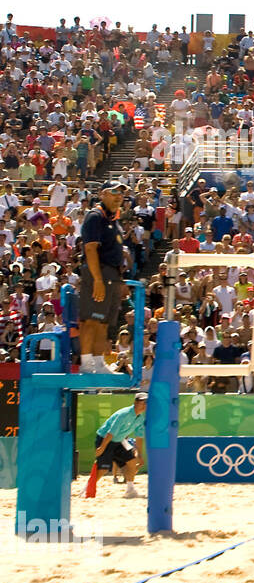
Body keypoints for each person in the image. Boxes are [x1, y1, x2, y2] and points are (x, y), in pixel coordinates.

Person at [78, 179, 129, 374]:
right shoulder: (95, 216)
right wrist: (98, 280)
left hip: (112, 275)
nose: (119, 196)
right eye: (114, 192)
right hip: (98, 272)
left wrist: (120, 280)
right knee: (91, 319)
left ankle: (98, 363)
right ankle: (86, 363)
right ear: (103, 194)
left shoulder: (113, 221)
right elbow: (90, 249)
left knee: (103, 321)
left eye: (121, 193)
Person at [84, 392, 148, 498]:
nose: (146, 405)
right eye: (143, 402)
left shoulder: (141, 419)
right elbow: (110, 433)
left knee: (132, 462)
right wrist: (102, 447)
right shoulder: (124, 414)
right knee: (103, 469)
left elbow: (139, 438)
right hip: (105, 439)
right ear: (136, 403)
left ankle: (130, 490)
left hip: (119, 440)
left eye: (147, 402)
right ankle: (87, 489)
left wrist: (140, 455)